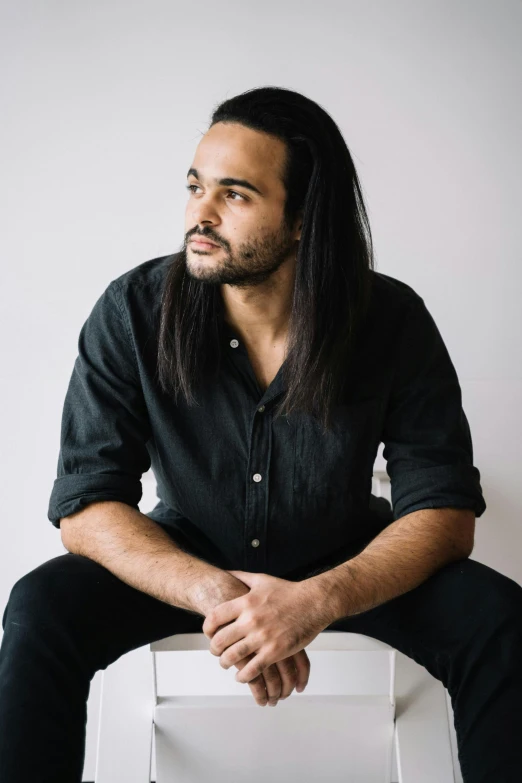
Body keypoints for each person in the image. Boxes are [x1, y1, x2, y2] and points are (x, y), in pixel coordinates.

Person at [0, 86, 520, 783]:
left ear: (303, 218)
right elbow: (87, 505)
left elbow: (445, 512)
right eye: (195, 186)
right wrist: (220, 594)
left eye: (235, 194)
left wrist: (315, 600)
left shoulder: (391, 319)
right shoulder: (132, 310)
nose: (200, 215)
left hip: (345, 554)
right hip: (188, 553)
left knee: (498, 618)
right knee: (40, 607)